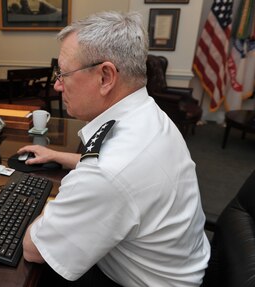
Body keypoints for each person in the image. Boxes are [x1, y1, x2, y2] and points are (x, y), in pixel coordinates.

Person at [20, 11, 210, 286]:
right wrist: (58, 156)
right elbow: (122, 172)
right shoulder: (147, 114)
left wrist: (47, 208)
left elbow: (34, 249)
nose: (58, 85)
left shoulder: (108, 172)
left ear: (105, 77)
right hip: (182, 263)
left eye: (63, 73)